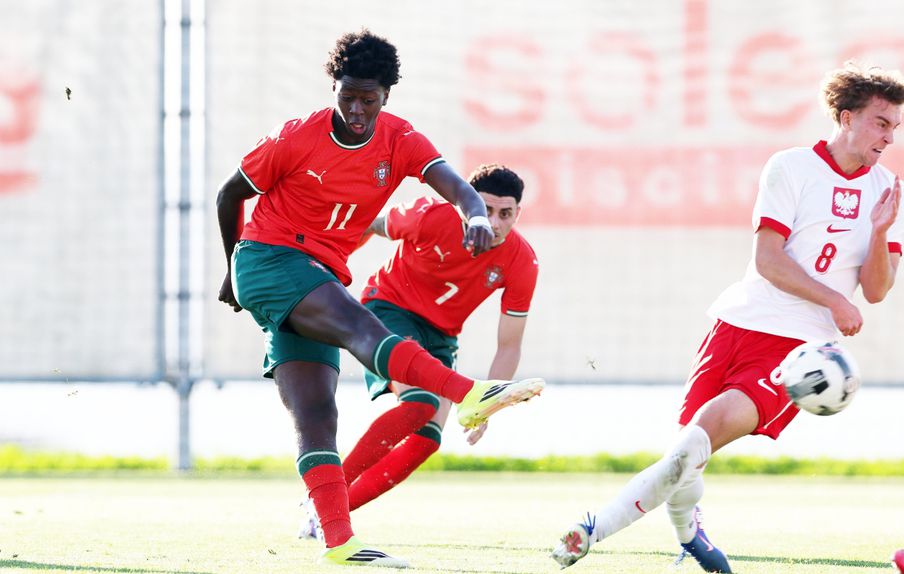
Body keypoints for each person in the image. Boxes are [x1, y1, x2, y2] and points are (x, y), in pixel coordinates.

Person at [551, 61, 904, 573]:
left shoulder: (888, 193)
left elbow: (874, 291)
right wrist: (834, 298)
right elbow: (768, 259)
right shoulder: (789, 166)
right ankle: (690, 536)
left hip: (798, 350)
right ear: (846, 118)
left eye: (895, 126)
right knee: (685, 454)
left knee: (700, 436)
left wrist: (878, 232)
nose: (890, 136)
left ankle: (589, 529)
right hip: (736, 324)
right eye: (881, 122)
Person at [215, 29, 545, 568]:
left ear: (386, 95)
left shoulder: (400, 140)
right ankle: (468, 394)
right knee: (364, 330)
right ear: (334, 87)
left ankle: (338, 542)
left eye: (368, 98)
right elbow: (230, 193)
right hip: (271, 260)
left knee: (317, 412)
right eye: (346, 94)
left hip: (317, 275)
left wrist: (476, 212)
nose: (356, 108)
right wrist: (231, 267)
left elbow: (455, 184)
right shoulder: (296, 137)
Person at [299, 163, 538, 538]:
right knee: (422, 403)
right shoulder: (429, 214)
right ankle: (323, 496)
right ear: (467, 203)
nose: (494, 223)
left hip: (441, 336)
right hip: (389, 309)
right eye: (485, 209)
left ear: (517, 214)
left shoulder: (522, 260)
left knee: (428, 438)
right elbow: (371, 225)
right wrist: (329, 263)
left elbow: (509, 344)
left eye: (505, 214)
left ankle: (325, 515)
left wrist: (491, 403)